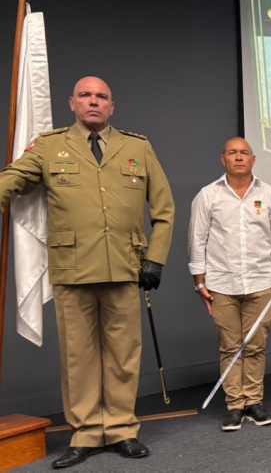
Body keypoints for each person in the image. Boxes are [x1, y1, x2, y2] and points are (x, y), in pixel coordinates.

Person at [0, 77, 174, 468]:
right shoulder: (48, 146)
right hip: (72, 268)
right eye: (85, 95)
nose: (93, 102)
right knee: (78, 357)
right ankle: (86, 433)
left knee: (124, 355)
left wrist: (155, 259)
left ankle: (121, 429)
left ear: (111, 106)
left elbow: (163, 210)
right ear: (72, 103)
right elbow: (12, 179)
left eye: (101, 96)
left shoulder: (138, 147)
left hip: (125, 267)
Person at [188, 137, 271, 431]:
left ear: (254, 159)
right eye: (232, 153)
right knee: (230, 346)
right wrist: (199, 282)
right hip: (221, 283)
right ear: (223, 159)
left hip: (261, 283)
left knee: (255, 346)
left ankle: (254, 402)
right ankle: (234, 405)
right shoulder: (208, 195)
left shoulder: (270, 194)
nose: (239, 157)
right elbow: (197, 240)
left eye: (244, 153)